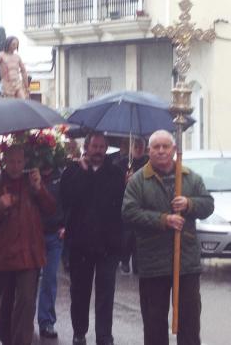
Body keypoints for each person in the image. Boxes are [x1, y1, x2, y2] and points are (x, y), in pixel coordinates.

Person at [122, 130, 214, 345]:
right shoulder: (138, 181)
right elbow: (129, 213)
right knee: (154, 322)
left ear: (173, 150)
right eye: (156, 147)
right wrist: (163, 220)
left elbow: (208, 205)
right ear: (149, 151)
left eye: (165, 146)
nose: (161, 151)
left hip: (186, 262)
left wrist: (189, 204)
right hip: (153, 262)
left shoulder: (190, 178)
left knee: (189, 321)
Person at [0, 145, 55, 345]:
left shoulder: (32, 182)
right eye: (11, 161)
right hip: (4, 253)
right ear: (4, 161)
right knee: (5, 304)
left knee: (27, 301)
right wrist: (0, 206)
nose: (16, 166)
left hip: (30, 253)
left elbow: (51, 209)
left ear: (25, 162)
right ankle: (7, 339)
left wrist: (39, 189)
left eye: (20, 162)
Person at [60, 133, 125, 345]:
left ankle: (104, 335)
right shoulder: (72, 171)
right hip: (80, 243)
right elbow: (67, 199)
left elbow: (121, 203)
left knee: (106, 293)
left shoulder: (116, 173)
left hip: (108, 243)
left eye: (101, 147)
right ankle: (79, 331)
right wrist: (84, 173)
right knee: (80, 291)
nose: (98, 150)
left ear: (106, 149)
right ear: (86, 148)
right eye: (94, 146)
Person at [37, 164, 65, 339]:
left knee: (49, 279)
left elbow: (69, 202)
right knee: (28, 283)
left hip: (55, 235)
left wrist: (66, 225)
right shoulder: (30, 176)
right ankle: (24, 320)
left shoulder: (61, 177)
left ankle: (46, 321)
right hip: (33, 236)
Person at [118, 137, 149, 274]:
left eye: (141, 147)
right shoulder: (122, 163)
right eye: (135, 146)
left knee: (139, 235)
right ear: (131, 147)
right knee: (127, 234)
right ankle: (124, 260)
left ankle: (138, 263)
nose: (138, 149)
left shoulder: (149, 163)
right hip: (126, 203)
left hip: (143, 204)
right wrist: (124, 181)